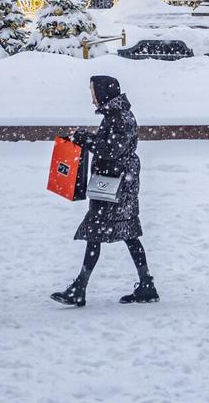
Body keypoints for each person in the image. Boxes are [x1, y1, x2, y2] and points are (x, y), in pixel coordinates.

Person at [51, 75, 158, 307]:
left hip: (115, 185)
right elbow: (108, 145)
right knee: (125, 232)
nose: (92, 100)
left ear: (104, 93)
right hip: (115, 183)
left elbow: (111, 149)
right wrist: (85, 137)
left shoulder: (120, 117)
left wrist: (85, 140)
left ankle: (80, 289)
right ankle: (146, 285)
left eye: (93, 93)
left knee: (97, 231)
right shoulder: (116, 115)